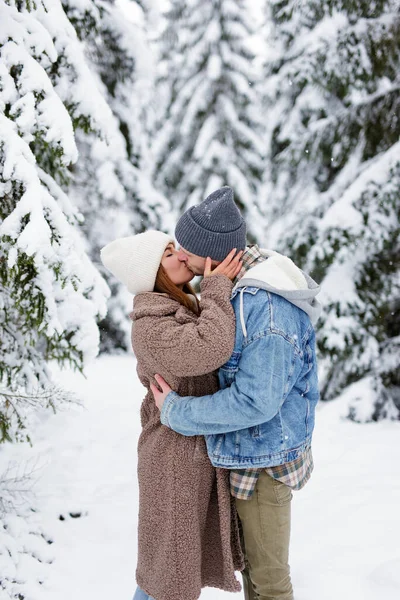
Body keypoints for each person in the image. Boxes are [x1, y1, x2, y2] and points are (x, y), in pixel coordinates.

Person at [151, 186, 322, 600]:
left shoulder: (263, 305)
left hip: (263, 464)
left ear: (212, 256)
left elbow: (256, 401)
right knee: (256, 580)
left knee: (269, 585)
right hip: (249, 455)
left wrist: (176, 412)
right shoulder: (240, 284)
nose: (181, 261)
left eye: (186, 253)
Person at [100, 230, 244, 600]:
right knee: (166, 575)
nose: (182, 256)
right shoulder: (149, 326)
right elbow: (208, 349)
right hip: (172, 459)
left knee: (173, 570)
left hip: (188, 450)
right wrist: (215, 289)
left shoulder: (177, 308)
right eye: (168, 254)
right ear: (153, 274)